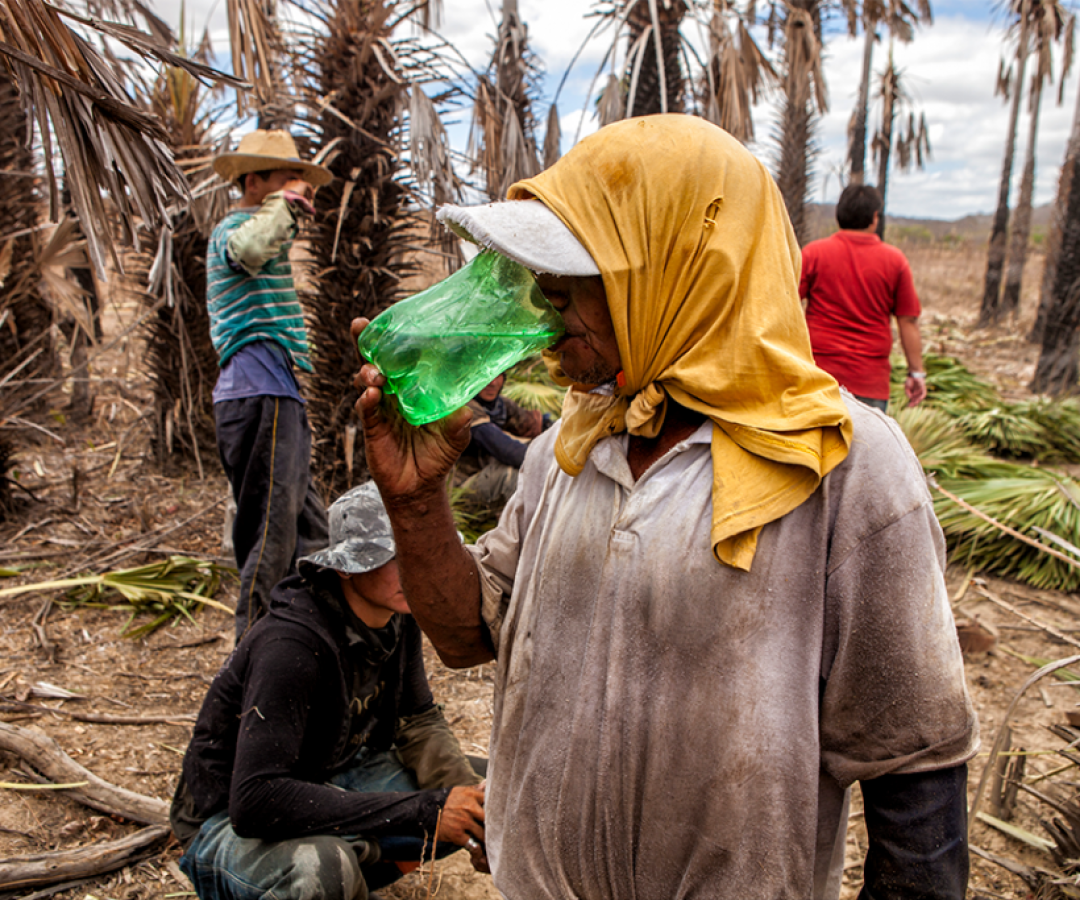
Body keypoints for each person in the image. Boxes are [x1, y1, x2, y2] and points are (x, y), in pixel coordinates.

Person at [352, 115, 978, 900]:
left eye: (572, 280)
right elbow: (467, 634)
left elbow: (915, 769)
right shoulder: (570, 450)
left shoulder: (842, 466)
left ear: (681, 274)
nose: (544, 309)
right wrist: (414, 506)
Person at [170, 482, 487, 900]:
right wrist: (428, 811)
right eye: (392, 556)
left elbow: (418, 719)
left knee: (488, 792)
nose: (412, 568)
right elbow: (255, 800)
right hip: (227, 816)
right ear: (345, 567)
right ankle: (338, 872)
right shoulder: (291, 647)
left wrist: (477, 818)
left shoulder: (398, 612)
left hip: (331, 776)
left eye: (418, 551)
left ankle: (359, 864)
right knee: (322, 867)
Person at [209, 129, 331, 639]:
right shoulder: (235, 228)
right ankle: (251, 663)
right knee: (272, 535)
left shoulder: (262, 233)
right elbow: (248, 250)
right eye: (285, 182)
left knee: (311, 533)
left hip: (272, 386)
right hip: (261, 388)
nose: (296, 192)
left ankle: (309, 643)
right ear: (253, 182)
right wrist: (285, 207)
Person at [799, 183, 928, 413]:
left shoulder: (813, 253)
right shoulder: (895, 261)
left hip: (817, 377)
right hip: (870, 383)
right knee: (864, 447)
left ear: (839, 215)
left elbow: (785, 302)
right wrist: (916, 372)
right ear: (875, 218)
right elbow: (908, 321)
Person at [457, 372, 551, 507]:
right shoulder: (465, 408)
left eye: (497, 375)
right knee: (512, 476)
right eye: (485, 376)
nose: (492, 383)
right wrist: (548, 465)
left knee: (543, 447)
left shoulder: (499, 405)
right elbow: (502, 447)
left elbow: (530, 423)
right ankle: (530, 525)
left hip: (486, 472)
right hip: (462, 486)